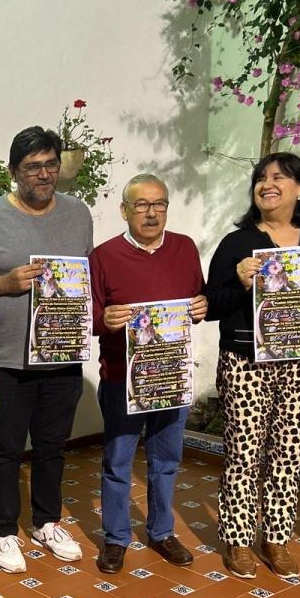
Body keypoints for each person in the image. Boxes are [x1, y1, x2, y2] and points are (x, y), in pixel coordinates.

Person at [204, 152, 300, 579]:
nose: (268, 184)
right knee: (244, 453)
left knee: (288, 452)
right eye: (261, 178)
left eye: (280, 177)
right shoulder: (237, 243)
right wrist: (239, 281)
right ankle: (237, 540)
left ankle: (277, 538)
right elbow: (211, 306)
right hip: (246, 361)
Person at [0, 126, 94, 574]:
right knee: (5, 448)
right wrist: (2, 283)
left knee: (53, 445)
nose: (43, 174)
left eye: (50, 164)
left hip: (61, 353)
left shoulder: (79, 214)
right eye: (33, 167)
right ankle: (2, 530)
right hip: (7, 361)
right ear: (14, 171)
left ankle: (47, 522)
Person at [89, 174, 208, 574]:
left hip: (172, 376)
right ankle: (116, 537)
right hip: (122, 379)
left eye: (159, 204)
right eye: (141, 205)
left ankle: (161, 532)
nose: (151, 212)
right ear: (124, 211)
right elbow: (88, 317)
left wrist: (200, 307)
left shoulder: (185, 248)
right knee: (118, 460)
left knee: (166, 460)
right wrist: (104, 318)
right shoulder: (103, 256)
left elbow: (198, 296)